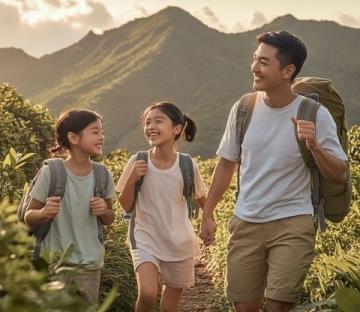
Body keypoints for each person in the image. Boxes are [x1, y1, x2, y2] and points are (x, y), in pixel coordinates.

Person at [200, 31, 347, 312]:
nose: (255, 67)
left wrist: (314, 146)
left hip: (293, 223)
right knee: (244, 307)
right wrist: (208, 212)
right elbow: (226, 163)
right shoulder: (243, 108)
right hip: (246, 222)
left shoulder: (315, 114)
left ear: (287, 70)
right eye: (255, 59)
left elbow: (339, 174)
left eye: (264, 62)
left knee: (278, 307)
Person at [117, 102, 207, 312]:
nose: (151, 126)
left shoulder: (187, 165)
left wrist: (208, 219)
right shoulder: (137, 161)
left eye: (158, 121)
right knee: (147, 294)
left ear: (177, 129)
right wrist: (131, 180)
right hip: (144, 238)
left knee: (171, 302)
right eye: (147, 122)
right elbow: (125, 204)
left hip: (179, 241)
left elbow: (202, 198)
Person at [25, 109, 115, 304]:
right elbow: (28, 215)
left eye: (101, 131)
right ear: (74, 137)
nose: (102, 137)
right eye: (95, 132)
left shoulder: (102, 174)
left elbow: (110, 218)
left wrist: (104, 211)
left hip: (90, 266)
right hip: (55, 265)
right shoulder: (51, 172)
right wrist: (43, 212)